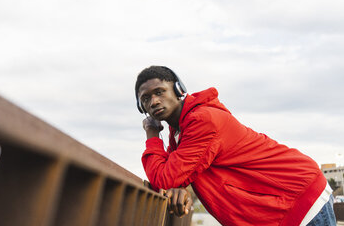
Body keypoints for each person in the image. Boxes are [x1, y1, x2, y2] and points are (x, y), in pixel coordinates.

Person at [135, 65, 336, 226]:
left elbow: (165, 178)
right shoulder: (179, 132)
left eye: (159, 92)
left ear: (179, 90)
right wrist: (178, 188)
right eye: (145, 99)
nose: (153, 101)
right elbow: (168, 176)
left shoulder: (203, 121)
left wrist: (152, 135)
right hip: (281, 202)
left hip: (297, 195)